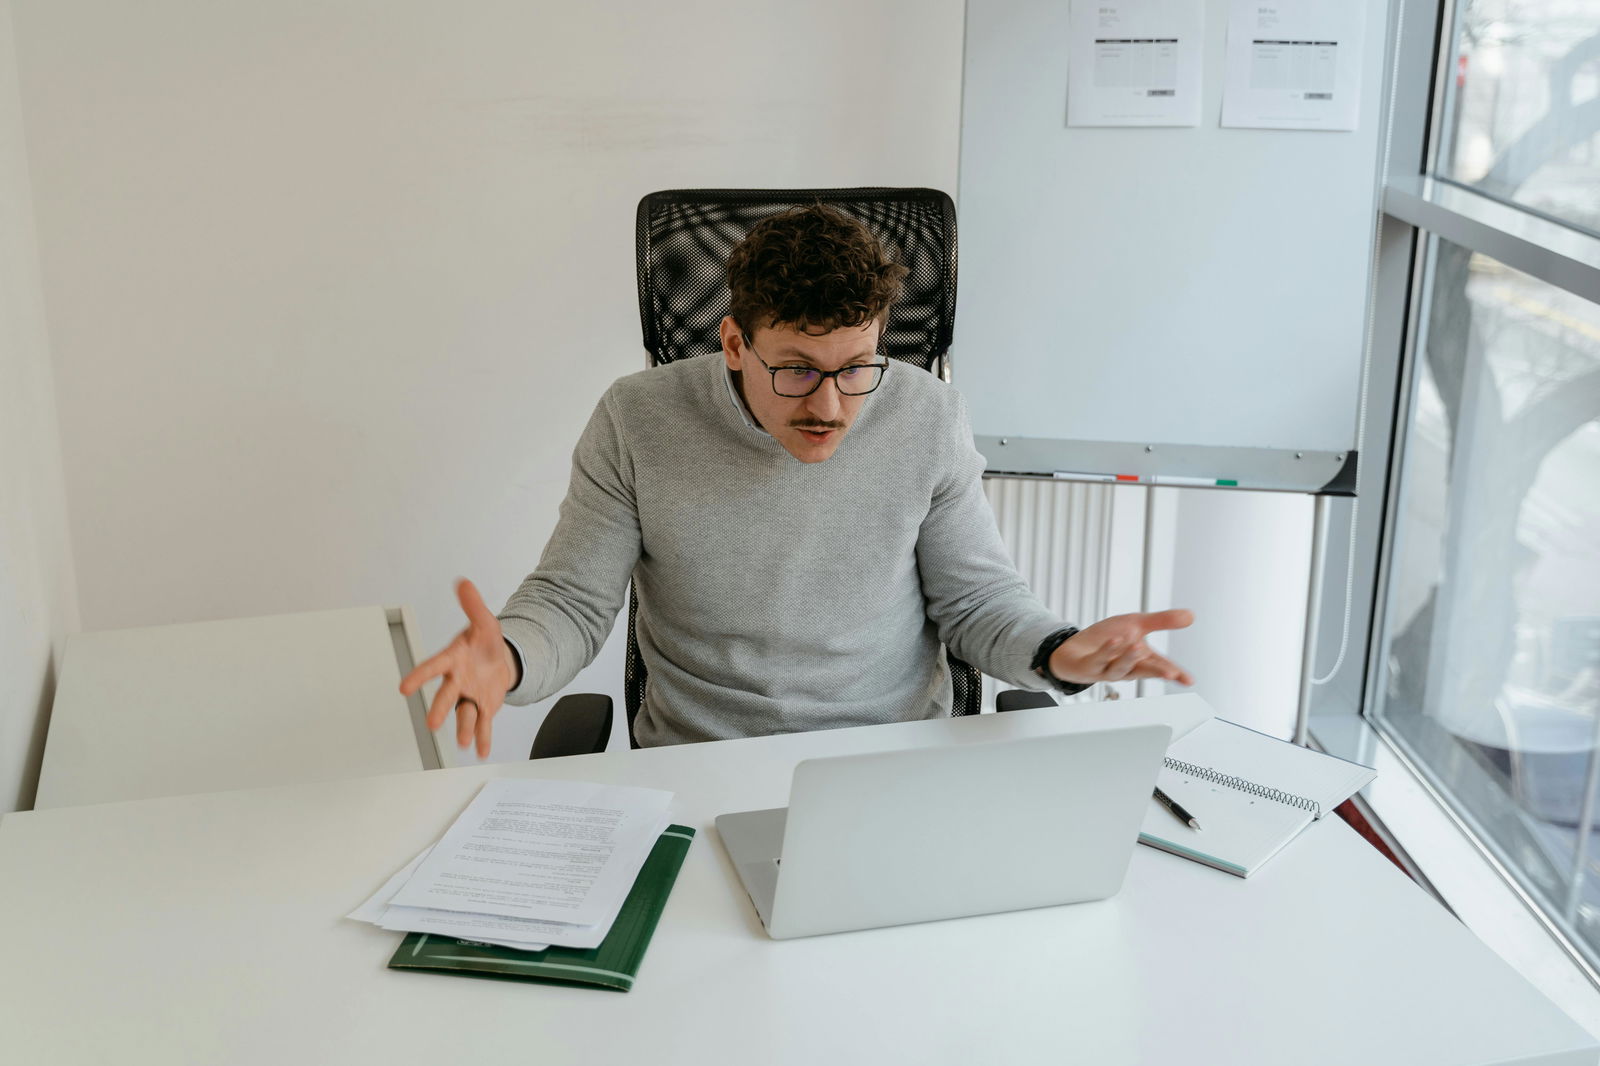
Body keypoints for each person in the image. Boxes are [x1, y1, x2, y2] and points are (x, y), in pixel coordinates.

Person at [401, 204, 1194, 757]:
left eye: (857, 368)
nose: (829, 406)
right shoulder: (638, 419)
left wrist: (1059, 652)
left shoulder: (926, 415)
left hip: (888, 762)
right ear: (733, 343)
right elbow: (573, 603)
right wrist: (509, 657)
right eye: (797, 370)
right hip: (699, 764)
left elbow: (978, 603)